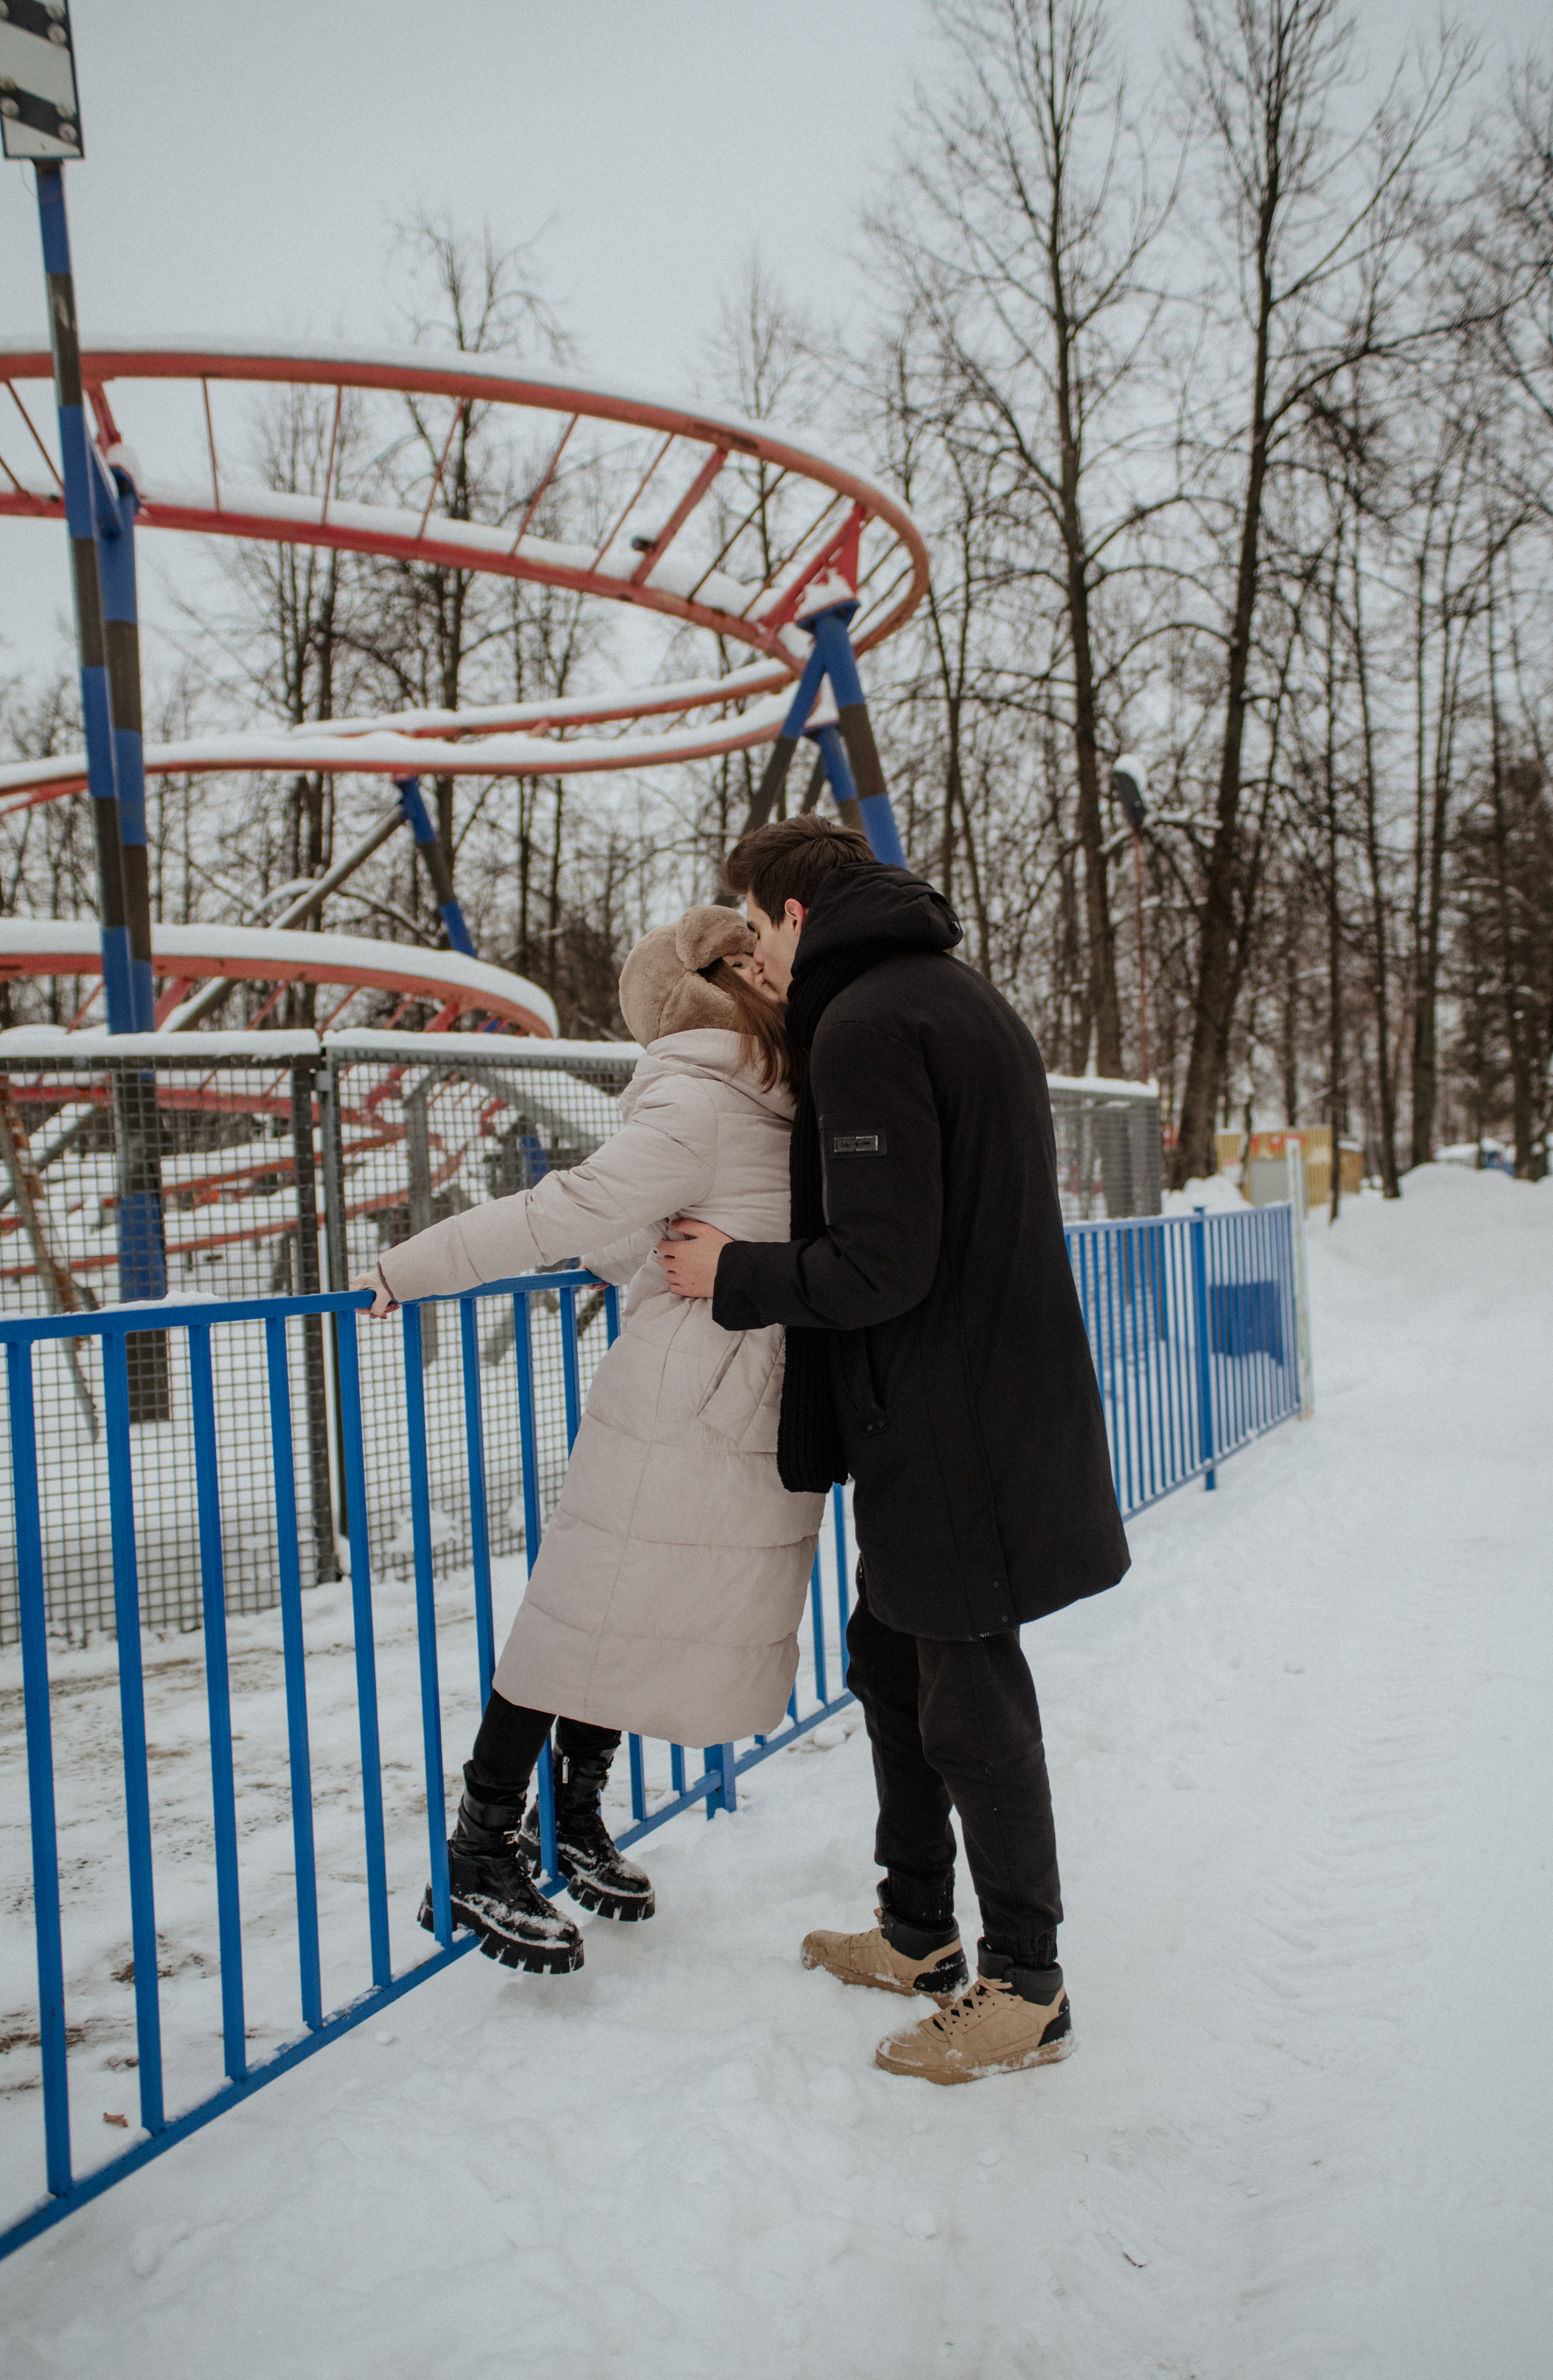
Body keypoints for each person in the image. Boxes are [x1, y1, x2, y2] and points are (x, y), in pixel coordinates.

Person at [658, 818, 1130, 2084]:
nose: (749, 955)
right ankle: (920, 1929)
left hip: (952, 1419)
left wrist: (729, 1271)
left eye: (753, 929)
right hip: (966, 1400)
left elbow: (881, 1261)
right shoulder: (941, 993)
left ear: (796, 917)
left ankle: (1024, 1988)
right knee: (890, 1661)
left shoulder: (869, 1023)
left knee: (969, 1699)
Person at [354, 907, 826, 1975]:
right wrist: (407, 1269)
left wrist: (655, 1247)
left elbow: (631, 1232)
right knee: (586, 1611)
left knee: (633, 1612)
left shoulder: (769, 1081)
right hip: (677, 1400)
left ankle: (570, 1815)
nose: (766, 966)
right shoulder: (703, 1087)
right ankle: (478, 1845)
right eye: (742, 958)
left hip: (735, 1389)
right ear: (703, 986)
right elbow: (563, 1214)